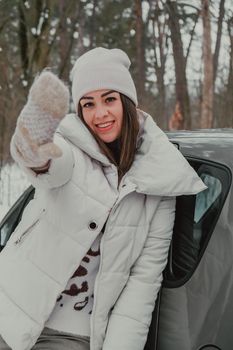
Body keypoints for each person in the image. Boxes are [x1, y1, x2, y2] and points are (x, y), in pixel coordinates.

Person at [0, 47, 206, 350]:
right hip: (11, 304)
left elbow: (142, 282)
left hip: (72, 335)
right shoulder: (71, 145)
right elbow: (50, 166)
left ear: (127, 102)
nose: (100, 114)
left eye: (109, 99)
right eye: (88, 104)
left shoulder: (161, 180)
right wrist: (34, 146)